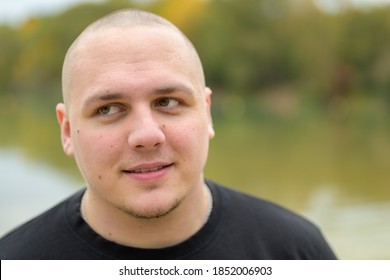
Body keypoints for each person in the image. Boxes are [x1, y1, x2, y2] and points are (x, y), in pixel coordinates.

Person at [0, 9, 336, 260]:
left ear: (206, 112)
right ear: (68, 130)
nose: (147, 135)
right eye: (108, 109)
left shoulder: (294, 251)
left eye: (168, 102)